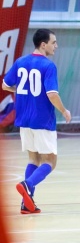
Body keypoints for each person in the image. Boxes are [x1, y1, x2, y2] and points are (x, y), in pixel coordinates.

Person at [1, 29, 71, 214]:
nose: (56, 46)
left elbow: (5, 85)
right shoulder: (48, 66)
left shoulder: (20, 62)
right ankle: (28, 184)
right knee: (50, 161)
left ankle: (26, 203)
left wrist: (21, 90)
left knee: (34, 159)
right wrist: (64, 111)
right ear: (43, 44)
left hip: (24, 119)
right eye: (53, 42)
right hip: (42, 120)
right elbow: (52, 94)